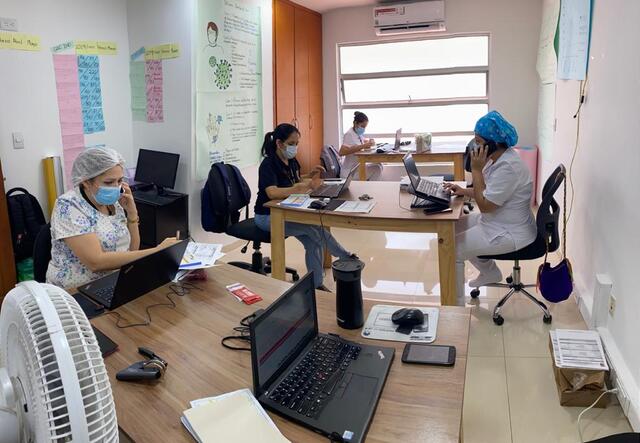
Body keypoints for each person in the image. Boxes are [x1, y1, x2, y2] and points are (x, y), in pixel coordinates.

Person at [47, 147, 179, 289]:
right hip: (76, 291)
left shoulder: (113, 202)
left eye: (120, 181)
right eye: (109, 182)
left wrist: (132, 215)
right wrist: (157, 251)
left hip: (113, 283)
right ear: (86, 181)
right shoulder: (68, 205)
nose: (116, 187)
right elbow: (96, 262)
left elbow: (131, 251)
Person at [443, 111, 536, 306]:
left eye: (478, 141)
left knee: (451, 248)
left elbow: (485, 205)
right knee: (453, 227)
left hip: (510, 231)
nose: (474, 146)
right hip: (499, 219)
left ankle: (455, 308)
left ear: (493, 143)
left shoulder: (508, 167)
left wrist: (476, 170)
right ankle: (490, 271)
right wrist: (463, 190)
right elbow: (485, 191)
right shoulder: (499, 158)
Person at [254, 124, 356, 290]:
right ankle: (344, 257)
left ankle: (316, 284)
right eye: (292, 143)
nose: (295, 147)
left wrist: (309, 176)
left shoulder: (291, 160)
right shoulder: (268, 164)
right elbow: (272, 193)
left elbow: (294, 179)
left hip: (287, 212)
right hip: (267, 216)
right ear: (279, 144)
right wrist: (299, 188)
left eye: (297, 143)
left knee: (313, 239)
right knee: (312, 229)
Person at [340, 111, 382, 180]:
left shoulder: (357, 133)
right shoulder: (349, 134)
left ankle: (367, 188)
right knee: (377, 168)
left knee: (379, 165)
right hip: (349, 172)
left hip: (357, 167)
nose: (363, 129)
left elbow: (362, 143)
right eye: (362, 126)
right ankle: (367, 188)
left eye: (365, 127)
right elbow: (341, 152)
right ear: (355, 123)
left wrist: (370, 142)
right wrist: (364, 145)